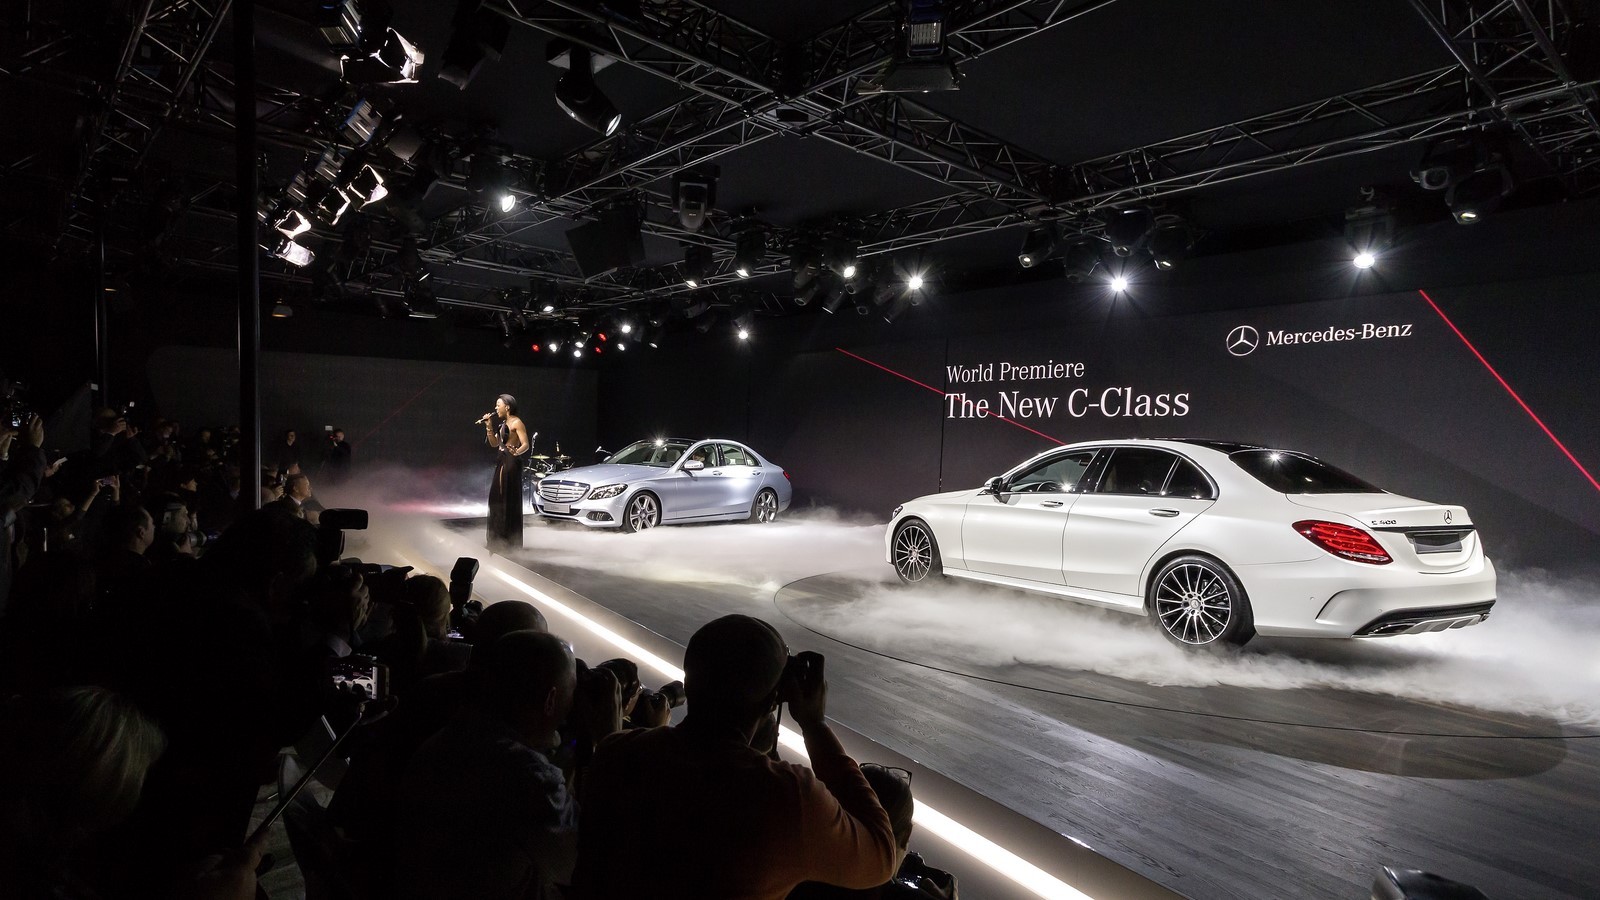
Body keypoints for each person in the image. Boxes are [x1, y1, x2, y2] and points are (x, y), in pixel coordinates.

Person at [570, 615, 897, 899]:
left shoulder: (616, 753)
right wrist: (814, 725)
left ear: (688, 684)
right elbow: (882, 855)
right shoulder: (787, 796)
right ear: (773, 702)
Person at [482, 393, 529, 551]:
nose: (496, 408)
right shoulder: (502, 424)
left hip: (510, 462)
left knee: (506, 496)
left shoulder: (517, 422)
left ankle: (508, 540)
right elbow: (494, 443)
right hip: (501, 460)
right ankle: (498, 538)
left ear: (507, 407)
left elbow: (525, 444)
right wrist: (489, 426)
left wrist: (516, 452)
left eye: (498, 405)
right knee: (497, 497)